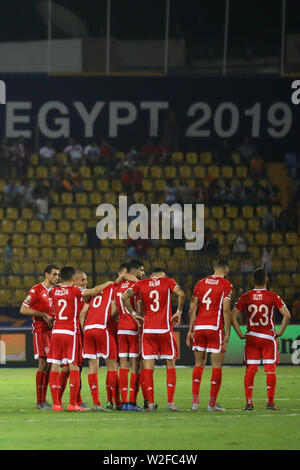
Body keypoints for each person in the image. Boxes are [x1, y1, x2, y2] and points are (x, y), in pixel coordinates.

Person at [47, 266, 114, 411]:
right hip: (71, 332)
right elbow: (94, 291)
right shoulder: (76, 291)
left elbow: (54, 290)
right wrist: (109, 283)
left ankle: (56, 404)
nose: (85, 282)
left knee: (55, 366)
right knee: (74, 366)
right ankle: (72, 404)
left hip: (56, 331)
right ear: (73, 280)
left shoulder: (53, 291)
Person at [122, 267, 186, 412]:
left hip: (148, 331)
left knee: (148, 368)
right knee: (170, 365)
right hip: (164, 329)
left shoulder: (141, 284)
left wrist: (133, 314)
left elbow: (124, 297)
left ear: (151, 276)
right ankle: (170, 403)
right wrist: (179, 312)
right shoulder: (168, 281)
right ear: (163, 275)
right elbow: (181, 294)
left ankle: (150, 404)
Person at [231, 267, 291, 411]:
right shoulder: (273, 296)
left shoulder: (245, 297)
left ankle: (249, 403)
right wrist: (280, 332)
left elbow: (233, 316)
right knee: (270, 370)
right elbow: (287, 315)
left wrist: (240, 333)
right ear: (266, 279)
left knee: (251, 370)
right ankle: (270, 403)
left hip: (252, 337)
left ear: (253, 280)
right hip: (268, 337)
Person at [186, 259, 233, 412]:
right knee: (216, 366)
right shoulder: (226, 285)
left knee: (198, 364)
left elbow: (193, 307)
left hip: (200, 326)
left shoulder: (200, 283)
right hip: (215, 327)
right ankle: (212, 404)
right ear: (226, 272)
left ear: (214, 268)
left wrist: (190, 329)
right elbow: (226, 310)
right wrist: (227, 331)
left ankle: (195, 402)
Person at [20, 264, 60, 409]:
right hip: (40, 331)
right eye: (54, 274)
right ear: (46, 275)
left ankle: (44, 400)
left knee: (50, 365)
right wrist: (42, 314)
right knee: (43, 363)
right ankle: (39, 401)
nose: (57, 277)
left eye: (58, 275)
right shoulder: (36, 290)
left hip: (53, 332)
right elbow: (23, 309)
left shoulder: (57, 291)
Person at [113, 259, 145, 411]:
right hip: (133, 327)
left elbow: (113, 311)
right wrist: (137, 316)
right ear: (134, 271)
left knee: (123, 366)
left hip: (121, 328)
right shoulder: (136, 285)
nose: (142, 273)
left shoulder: (117, 288)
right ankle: (132, 402)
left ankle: (124, 402)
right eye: (141, 270)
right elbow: (139, 307)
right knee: (135, 366)